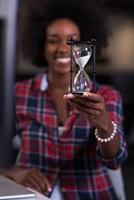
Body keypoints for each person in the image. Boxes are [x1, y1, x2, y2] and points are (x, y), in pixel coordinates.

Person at [6, 0, 128, 199]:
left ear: (85, 47)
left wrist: (104, 125)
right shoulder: (20, 93)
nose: (63, 48)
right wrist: (11, 172)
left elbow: (115, 159)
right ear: (41, 45)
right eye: (53, 40)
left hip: (90, 194)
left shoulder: (108, 95)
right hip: (34, 194)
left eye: (72, 40)